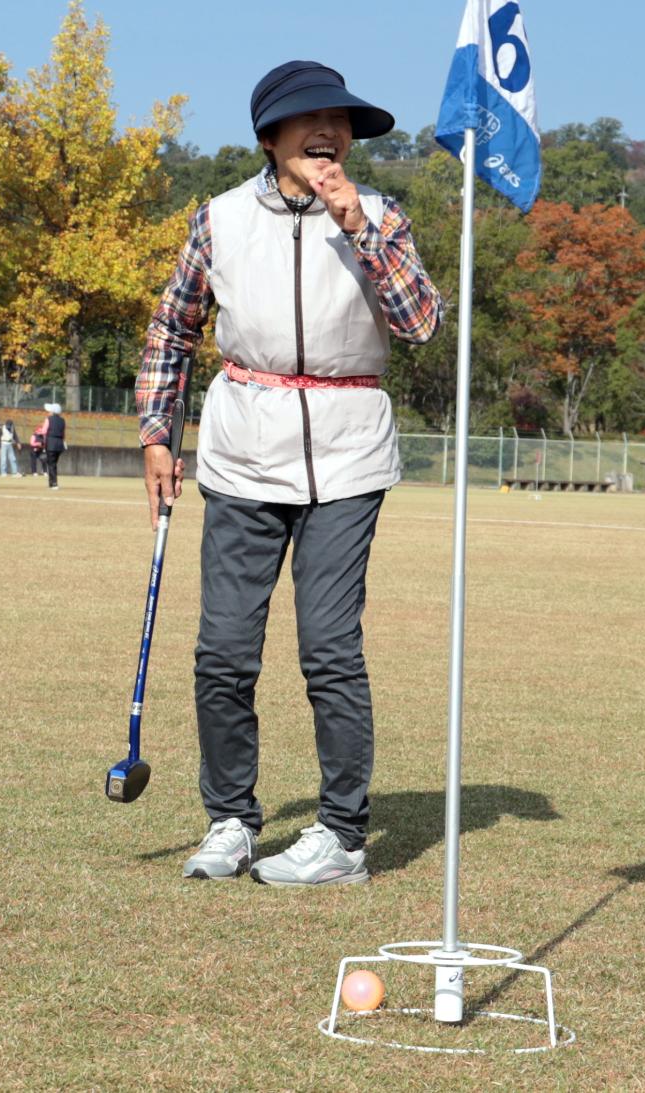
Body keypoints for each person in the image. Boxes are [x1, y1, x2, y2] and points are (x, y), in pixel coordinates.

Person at [139, 60, 442, 887]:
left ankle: (341, 837)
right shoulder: (219, 220)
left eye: (340, 122)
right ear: (269, 138)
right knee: (224, 654)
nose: (329, 133)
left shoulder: (381, 216)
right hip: (241, 453)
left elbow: (420, 324)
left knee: (330, 650)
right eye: (308, 121)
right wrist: (156, 434)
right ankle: (230, 820)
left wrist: (358, 227)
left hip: (348, 457)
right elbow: (173, 329)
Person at [41, 403, 65, 489]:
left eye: (49, 411)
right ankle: (51, 483)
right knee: (53, 464)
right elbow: (63, 434)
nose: (48, 412)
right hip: (59, 444)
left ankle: (54, 483)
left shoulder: (48, 419)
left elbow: (44, 431)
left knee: (51, 464)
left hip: (51, 443)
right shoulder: (62, 420)